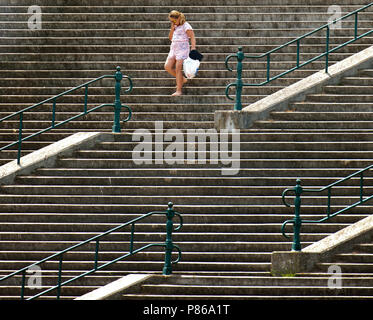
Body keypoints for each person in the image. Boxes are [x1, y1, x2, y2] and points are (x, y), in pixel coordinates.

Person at [164, 10, 196, 96]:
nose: (172, 22)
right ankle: (182, 79)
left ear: (178, 18)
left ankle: (179, 90)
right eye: (171, 21)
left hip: (182, 49)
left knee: (178, 68)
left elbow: (192, 36)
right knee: (167, 66)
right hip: (174, 48)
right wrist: (172, 28)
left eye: (174, 20)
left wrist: (193, 48)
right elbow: (170, 38)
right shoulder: (175, 26)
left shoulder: (185, 25)